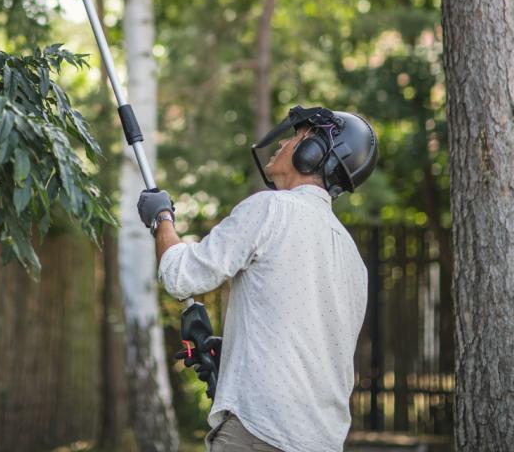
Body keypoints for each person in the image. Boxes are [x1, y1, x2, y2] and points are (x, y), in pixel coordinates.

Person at [137, 105, 379, 452]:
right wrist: (236, 351)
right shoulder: (352, 257)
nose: (283, 143)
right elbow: (307, 337)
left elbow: (180, 275)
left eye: (298, 136)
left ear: (315, 154)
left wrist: (161, 216)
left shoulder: (272, 209)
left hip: (260, 431)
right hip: (321, 441)